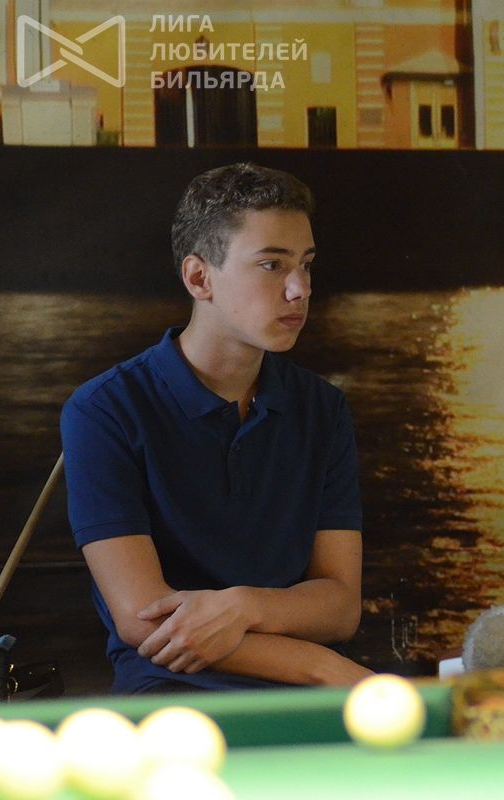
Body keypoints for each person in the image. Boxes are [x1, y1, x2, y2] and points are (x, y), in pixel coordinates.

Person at [61, 163, 374, 694]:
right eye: (272, 265)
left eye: (305, 264)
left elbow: (341, 607)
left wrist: (244, 605)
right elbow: (145, 621)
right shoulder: (104, 409)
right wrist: (322, 668)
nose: (300, 288)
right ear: (199, 278)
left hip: (304, 697)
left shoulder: (323, 408)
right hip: (172, 693)